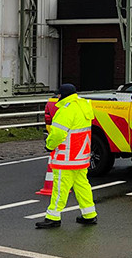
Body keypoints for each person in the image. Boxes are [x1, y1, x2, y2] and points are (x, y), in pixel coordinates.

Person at [36, 83, 98, 229]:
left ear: (62, 95)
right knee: (82, 186)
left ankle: (53, 217)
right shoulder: (83, 106)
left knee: (60, 188)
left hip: (67, 157)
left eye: (58, 94)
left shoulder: (66, 110)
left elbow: (58, 133)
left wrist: (49, 145)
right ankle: (89, 215)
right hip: (81, 156)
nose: (57, 97)